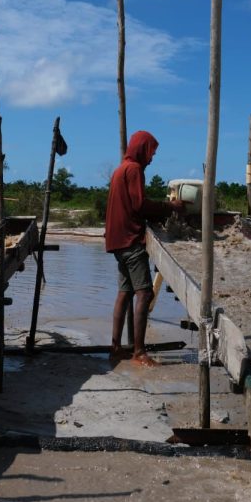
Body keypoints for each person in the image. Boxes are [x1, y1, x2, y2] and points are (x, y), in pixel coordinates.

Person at [105, 131, 184, 367]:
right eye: (151, 153)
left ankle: (116, 348)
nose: (151, 159)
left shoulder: (121, 169)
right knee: (145, 293)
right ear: (142, 149)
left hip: (117, 240)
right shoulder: (134, 170)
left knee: (125, 293)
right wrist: (170, 207)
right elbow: (140, 205)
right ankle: (139, 351)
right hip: (131, 239)